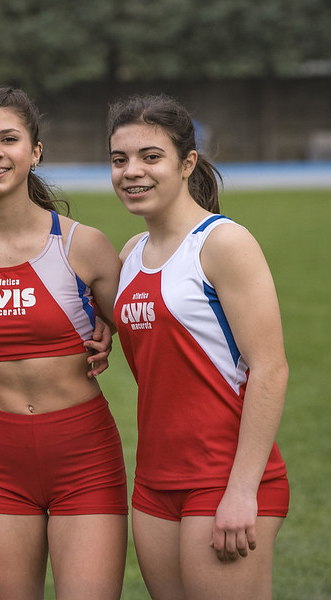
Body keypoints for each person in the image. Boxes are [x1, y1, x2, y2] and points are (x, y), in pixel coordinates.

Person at [0, 85, 128, 599]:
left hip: (85, 457)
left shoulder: (84, 246)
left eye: (9, 138)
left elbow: (150, 317)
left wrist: (112, 331)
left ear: (34, 152)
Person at [108, 94, 289, 599]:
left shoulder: (223, 243)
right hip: (155, 484)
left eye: (150, 156)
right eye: (119, 160)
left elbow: (270, 369)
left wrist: (241, 491)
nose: (131, 172)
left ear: (187, 163)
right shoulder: (129, 255)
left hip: (224, 478)